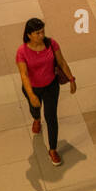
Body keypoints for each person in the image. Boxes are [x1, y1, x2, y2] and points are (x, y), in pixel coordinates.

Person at [16, 18, 76, 166]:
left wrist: (71, 79)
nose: (41, 35)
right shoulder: (22, 52)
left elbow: (61, 61)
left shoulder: (51, 43)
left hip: (51, 86)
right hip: (33, 88)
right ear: (29, 35)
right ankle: (36, 119)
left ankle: (53, 149)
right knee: (35, 108)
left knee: (51, 117)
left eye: (42, 32)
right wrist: (31, 95)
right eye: (37, 33)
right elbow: (24, 74)